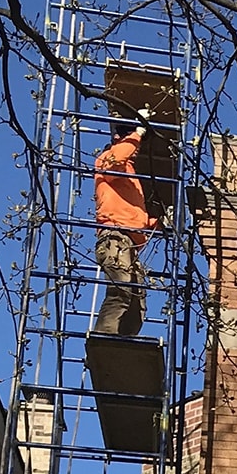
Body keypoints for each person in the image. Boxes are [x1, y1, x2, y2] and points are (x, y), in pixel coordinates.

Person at [93, 116, 157, 337]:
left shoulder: (130, 176)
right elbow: (115, 160)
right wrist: (137, 133)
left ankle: (125, 342)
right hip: (116, 238)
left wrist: (157, 223)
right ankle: (105, 338)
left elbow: (135, 217)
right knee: (120, 290)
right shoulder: (108, 161)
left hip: (129, 244)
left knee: (136, 304)